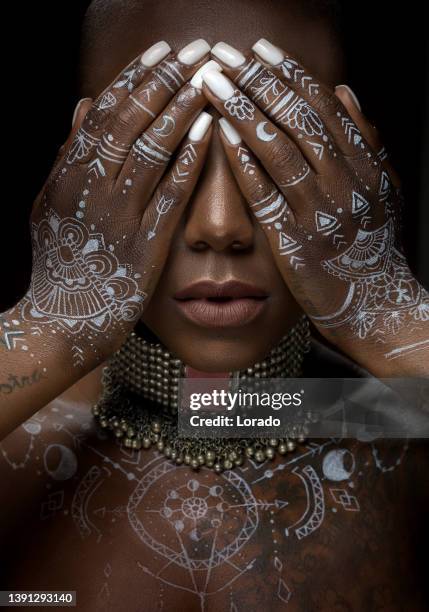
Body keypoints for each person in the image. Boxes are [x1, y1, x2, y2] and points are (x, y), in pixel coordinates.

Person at [0, 0, 427, 609]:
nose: (221, 225)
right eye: (167, 155)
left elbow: (220, 409)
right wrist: (51, 324)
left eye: (277, 156)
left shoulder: (404, 435)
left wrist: (390, 316)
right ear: (81, 161)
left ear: (355, 157)